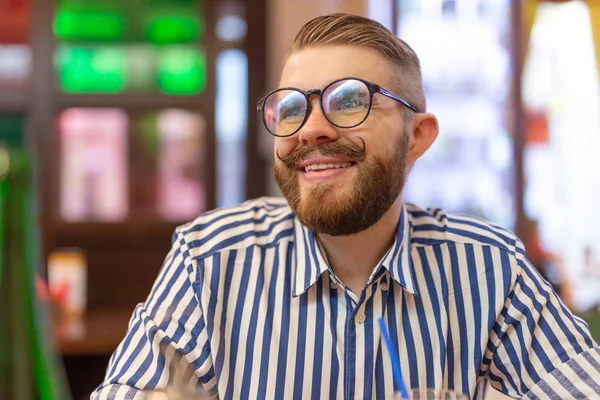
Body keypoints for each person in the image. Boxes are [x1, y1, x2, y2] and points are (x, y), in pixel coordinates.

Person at [92, 14, 600, 400]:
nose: (310, 129)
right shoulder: (210, 258)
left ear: (417, 136)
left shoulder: (490, 268)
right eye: (291, 107)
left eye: (350, 101)